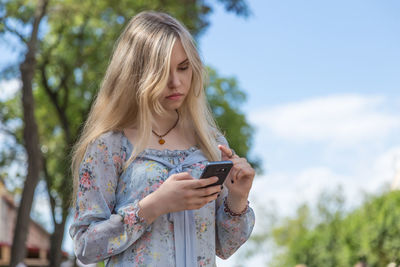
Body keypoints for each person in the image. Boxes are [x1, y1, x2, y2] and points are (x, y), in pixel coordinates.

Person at [69, 10, 255, 267]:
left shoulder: (209, 141)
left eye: (183, 67)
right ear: (135, 74)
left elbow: (225, 247)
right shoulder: (109, 145)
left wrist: (238, 199)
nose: (176, 82)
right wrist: (153, 206)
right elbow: (85, 246)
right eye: (162, 71)